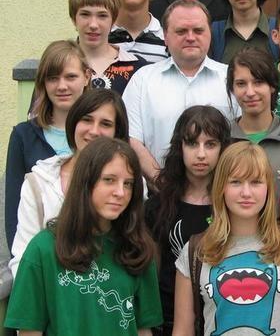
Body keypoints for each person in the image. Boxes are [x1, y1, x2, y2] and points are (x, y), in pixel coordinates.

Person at [5, 137, 162, 335]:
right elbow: (29, 331)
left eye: (128, 183)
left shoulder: (137, 249)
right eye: (109, 180)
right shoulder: (43, 249)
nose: (120, 192)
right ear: (85, 182)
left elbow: (143, 330)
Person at [172, 141, 280, 335]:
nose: (246, 193)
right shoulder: (195, 251)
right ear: (221, 188)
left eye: (255, 182)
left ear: (268, 188)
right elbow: (183, 330)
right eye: (236, 182)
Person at [9, 89, 130, 277]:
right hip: (50, 290)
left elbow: (133, 246)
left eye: (105, 124)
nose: (94, 131)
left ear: (117, 132)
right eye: (87, 120)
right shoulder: (40, 182)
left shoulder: (130, 185)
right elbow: (23, 258)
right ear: (73, 123)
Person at [123, 0, 238, 183]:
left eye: (198, 30)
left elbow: (242, 136)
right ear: (165, 36)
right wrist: (162, 183)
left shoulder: (232, 79)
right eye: (181, 31)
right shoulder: (143, 80)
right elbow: (132, 139)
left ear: (210, 33)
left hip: (221, 193)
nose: (190, 37)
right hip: (158, 193)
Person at [145, 105, 231, 336]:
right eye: (192, 143)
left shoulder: (233, 204)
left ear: (223, 148)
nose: (201, 154)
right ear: (179, 147)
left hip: (221, 319)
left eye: (210, 144)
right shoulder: (157, 206)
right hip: (168, 321)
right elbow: (149, 273)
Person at [5, 40, 90, 249]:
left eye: (70, 77)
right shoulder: (23, 136)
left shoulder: (99, 132)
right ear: (43, 82)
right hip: (40, 253)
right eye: (53, 78)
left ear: (86, 77)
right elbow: (14, 211)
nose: (61, 86)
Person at [227, 47, 280, 199]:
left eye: (258, 82)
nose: (250, 92)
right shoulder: (221, 138)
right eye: (241, 84)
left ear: (272, 86)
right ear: (232, 89)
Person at [69, 0, 148, 94]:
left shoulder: (137, 68)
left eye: (102, 16)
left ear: (113, 21)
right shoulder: (59, 65)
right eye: (85, 14)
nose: (93, 25)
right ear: (73, 19)